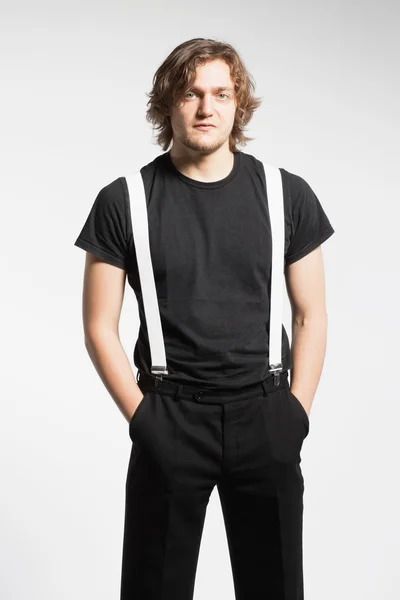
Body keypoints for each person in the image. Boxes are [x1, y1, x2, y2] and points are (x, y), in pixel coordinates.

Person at [74, 37, 335, 600]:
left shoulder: (286, 193)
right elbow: (99, 325)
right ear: (168, 102)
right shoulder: (124, 201)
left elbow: (312, 313)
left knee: (276, 589)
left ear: (238, 103)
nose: (205, 107)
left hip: (265, 414)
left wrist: (296, 415)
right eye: (191, 93)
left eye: (220, 93)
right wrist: (143, 419)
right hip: (170, 418)